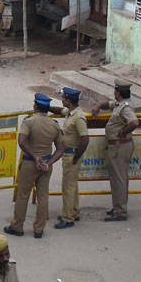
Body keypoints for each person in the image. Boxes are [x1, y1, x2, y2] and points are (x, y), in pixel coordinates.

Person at [4, 93, 64, 239]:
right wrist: (48, 163)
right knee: (43, 196)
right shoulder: (54, 125)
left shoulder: (29, 122)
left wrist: (35, 157)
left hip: (30, 163)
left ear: (35, 106)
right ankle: (39, 229)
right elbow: (60, 149)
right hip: (46, 165)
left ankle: (17, 226)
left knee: (23, 195)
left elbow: (22, 141)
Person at [92, 80, 140, 222]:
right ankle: (118, 207)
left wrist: (122, 132)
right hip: (120, 146)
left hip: (120, 146)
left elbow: (135, 122)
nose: (114, 94)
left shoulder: (125, 108)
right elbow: (108, 104)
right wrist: (98, 106)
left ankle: (120, 211)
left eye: (115, 91)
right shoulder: (121, 105)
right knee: (119, 179)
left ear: (118, 93)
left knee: (119, 179)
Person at [50, 87, 89, 230]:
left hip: (72, 155)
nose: (62, 100)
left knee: (68, 187)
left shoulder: (78, 117)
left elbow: (85, 139)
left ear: (68, 100)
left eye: (63, 99)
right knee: (72, 185)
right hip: (69, 154)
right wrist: (46, 107)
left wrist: (76, 156)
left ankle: (68, 218)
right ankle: (73, 211)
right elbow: (60, 111)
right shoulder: (70, 113)